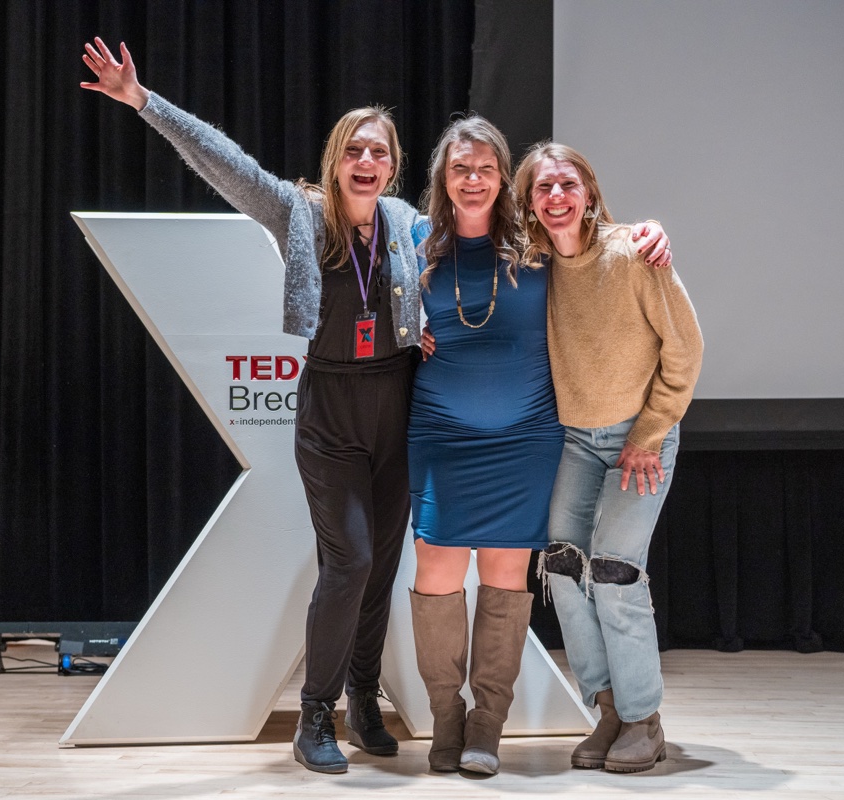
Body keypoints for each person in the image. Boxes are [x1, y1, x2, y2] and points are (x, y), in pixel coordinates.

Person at [81, 38, 426, 775]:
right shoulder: (299, 212)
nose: (367, 161)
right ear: (335, 160)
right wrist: (142, 101)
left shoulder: (403, 221)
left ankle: (364, 699)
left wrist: (424, 327)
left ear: (394, 165)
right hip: (331, 413)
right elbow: (223, 161)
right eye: (355, 150)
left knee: (381, 568)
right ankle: (315, 714)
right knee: (350, 562)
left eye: (380, 152)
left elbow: (464, 255)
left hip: (395, 408)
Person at [407, 118, 671, 775]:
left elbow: (596, 239)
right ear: (443, 177)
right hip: (441, 437)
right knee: (436, 575)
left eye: (486, 168)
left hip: (525, 441)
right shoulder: (414, 243)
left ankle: (486, 727)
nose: (473, 179)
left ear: (504, 179)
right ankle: (446, 721)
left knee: (507, 577)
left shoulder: (537, 245)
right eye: (460, 168)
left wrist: (649, 230)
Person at [516, 142, 703, 774]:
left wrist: (648, 434)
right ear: (530, 203)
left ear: (589, 192)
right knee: (564, 569)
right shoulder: (537, 266)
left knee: (616, 573)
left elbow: (686, 350)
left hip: (639, 442)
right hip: (577, 439)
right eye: (543, 188)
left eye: (568, 184)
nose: (557, 197)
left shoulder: (634, 254)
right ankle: (609, 710)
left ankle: (645, 718)